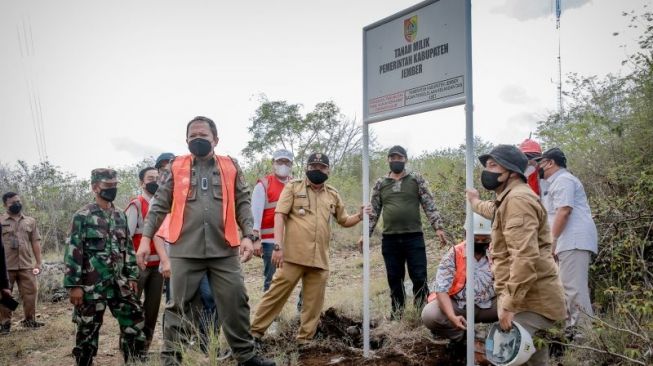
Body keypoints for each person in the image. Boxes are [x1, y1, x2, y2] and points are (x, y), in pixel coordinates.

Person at [136, 116, 274, 366]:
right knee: (178, 307)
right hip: (184, 250)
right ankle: (171, 360)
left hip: (224, 249)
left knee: (236, 301)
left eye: (203, 136)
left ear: (216, 139)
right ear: (186, 140)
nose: (197, 139)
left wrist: (248, 235)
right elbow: (158, 206)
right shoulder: (176, 168)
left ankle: (246, 356)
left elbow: (242, 202)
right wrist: (145, 240)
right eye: (193, 136)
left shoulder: (230, 166)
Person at [251, 153, 367, 345]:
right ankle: (254, 334)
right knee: (274, 296)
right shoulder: (293, 187)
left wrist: (360, 215)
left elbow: (344, 220)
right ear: (306, 168)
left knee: (313, 305)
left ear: (328, 170)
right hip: (291, 257)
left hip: (319, 259)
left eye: (321, 167)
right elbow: (279, 215)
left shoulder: (333, 194)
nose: (316, 170)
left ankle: (304, 341)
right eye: (313, 166)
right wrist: (277, 247)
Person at [466, 145, 565, 366]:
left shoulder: (518, 201)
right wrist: (474, 202)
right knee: (534, 360)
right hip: (529, 299)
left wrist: (509, 306)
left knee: (509, 357)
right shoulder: (510, 199)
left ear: (511, 171)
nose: (487, 171)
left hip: (532, 302)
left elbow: (524, 258)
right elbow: (496, 211)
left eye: (493, 165)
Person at [63, 169, 146, 365]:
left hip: (120, 284)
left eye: (115, 185)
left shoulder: (120, 215)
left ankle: (134, 360)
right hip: (92, 287)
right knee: (87, 330)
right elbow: (73, 252)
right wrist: (74, 286)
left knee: (134, 321)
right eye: (108, 186)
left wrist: (132, 276)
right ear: (95, 187)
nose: (113, 189)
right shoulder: (82, 216)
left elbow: (128, 248)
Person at [361, 145, 448, 319]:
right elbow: (374, 211)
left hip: (413, 237)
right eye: (392, 158)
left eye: (399, 158)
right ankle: (397, 313)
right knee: (394, 277)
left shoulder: (416, 179)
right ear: (388, 160)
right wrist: (365, 234)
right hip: (390, 239)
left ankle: (422, 314)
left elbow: (428, 204)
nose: (395, 161)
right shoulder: (381, 183)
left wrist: (438, 228)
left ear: (405, 160)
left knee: (419, 276)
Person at [538, 147, 597, 333]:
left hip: (573, 240)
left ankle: (585, 337)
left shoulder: (563, 180)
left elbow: (564, 211)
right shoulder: (555, 183)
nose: (538, 167)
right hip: (567, 241)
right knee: (567, 288)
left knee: (574, 289)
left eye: (540, 162)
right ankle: (574, 332)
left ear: (550, 162)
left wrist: (552, 241)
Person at [421, 213, 497, 349]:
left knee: (521, 308)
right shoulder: (454, 254)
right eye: (476, 239)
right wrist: (451, 316)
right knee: (430, 314)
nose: (480, 243)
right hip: (460, 306)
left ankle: (499, 337)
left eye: (484, 239)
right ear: (466, 235)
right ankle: (464, 338)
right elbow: (441, 289)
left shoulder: (497, 251)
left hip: (491, 305)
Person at [125, 166, 164, 351]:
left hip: (158, 267)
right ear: (142, 182)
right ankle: (130, 346)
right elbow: (125, 238)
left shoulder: (163, 203)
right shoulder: (137, 205)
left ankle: (145, 346)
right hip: (139, 266)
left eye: (157, 177)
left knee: (152, 308)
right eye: (150, 178)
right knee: (132, 307)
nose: (155, 181)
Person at [0, 192, 44, 333]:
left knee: (31, 293)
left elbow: (35, 242)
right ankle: (5, 323)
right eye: (13, 202)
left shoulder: (30, 221)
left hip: (26, 264)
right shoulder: (1, 221)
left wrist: (38, 262)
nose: (17, 204)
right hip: (6, 266)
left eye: (18, 201)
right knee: (5, 295)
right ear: (5, 204)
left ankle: (30, 320)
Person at [251, 149, 294, 291]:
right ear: (273, 163)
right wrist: (256, 240)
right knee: (272, 280)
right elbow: (255, 216)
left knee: (293, 278)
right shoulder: (263, 185)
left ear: (291, 164)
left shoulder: (296, 184)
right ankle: (268, 313)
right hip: (270, 242)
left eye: (286, 162)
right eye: (280, 161)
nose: (283, 164)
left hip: (292, 240)